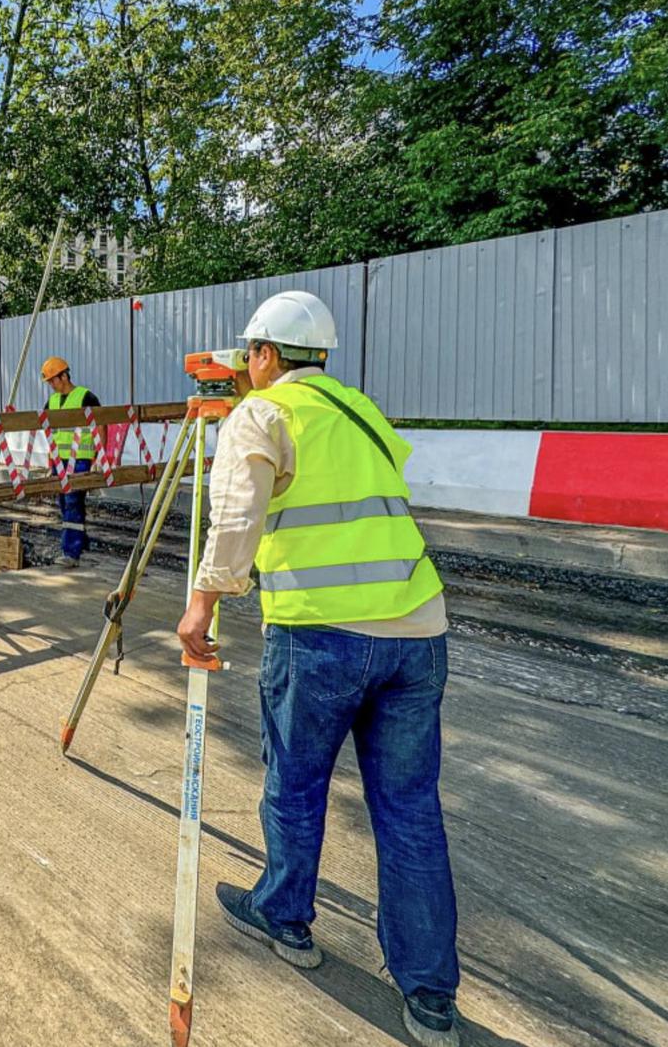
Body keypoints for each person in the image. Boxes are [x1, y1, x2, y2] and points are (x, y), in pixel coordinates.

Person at [176, 291, 460, 1047]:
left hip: (321, 635)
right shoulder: (360, 412)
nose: (241, 369)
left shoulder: (262, 415)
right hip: (418, 630)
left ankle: (286, 917)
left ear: (265, 355)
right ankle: (431, 998)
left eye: (247, 356)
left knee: (296, 785)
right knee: (409, 812)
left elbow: (236, 520)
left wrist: (201, 605)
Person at [41, 356, 105, 568]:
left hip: (80, 459)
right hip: (59, 461)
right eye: (49, 381)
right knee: (64, 503)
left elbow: (102, 423)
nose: (51, 385)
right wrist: (50, 461)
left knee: (72, 502)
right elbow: (50, 433)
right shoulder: (51, 402)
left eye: (53, 380)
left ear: (64, 376)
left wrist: (100, 456)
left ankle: (71, 553)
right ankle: (80, 542)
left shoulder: (85, 396)